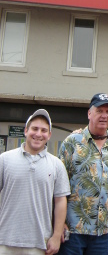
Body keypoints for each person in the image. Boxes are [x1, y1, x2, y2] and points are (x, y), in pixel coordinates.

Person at [58, 93, 108, 255]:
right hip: (74, 229)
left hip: (103, 231)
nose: (104, 115)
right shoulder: (72, 141)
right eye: (99, 110)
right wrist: (58, 224)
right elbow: (58, 185)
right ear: (89, 113)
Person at [0, 109, 70, 255]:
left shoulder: (57, 165)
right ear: (26, 131)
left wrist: (56, 236)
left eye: (44, 130)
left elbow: (60, 202)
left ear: (49, 135)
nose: (38, 134)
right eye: (35, 129)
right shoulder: (5, 160)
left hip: (39, 243)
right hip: (5, 240)